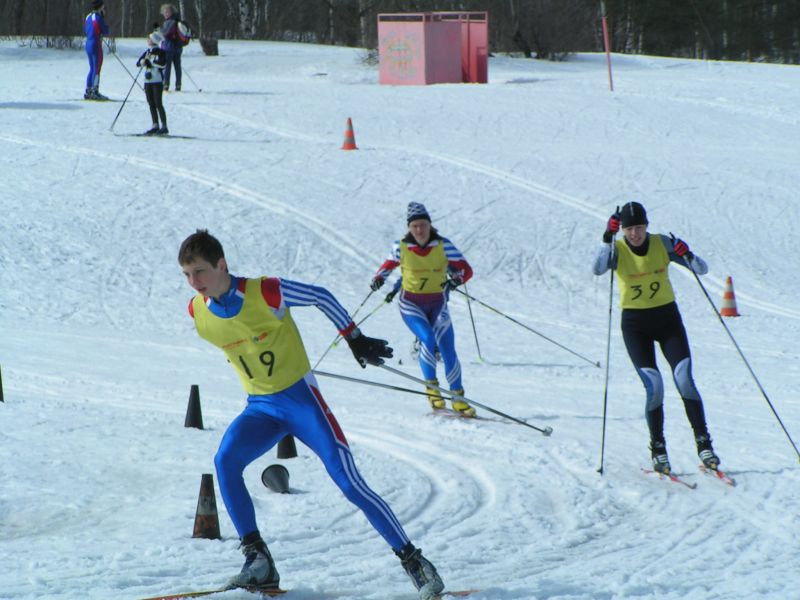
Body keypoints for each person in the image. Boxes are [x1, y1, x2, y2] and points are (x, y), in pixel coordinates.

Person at [178, 230, 444, 600]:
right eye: (187, 275)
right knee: (225, 461)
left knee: (350, 483)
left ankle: (415, 562)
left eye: (200, 272)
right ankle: (258, 560)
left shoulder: (265, 292)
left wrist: (354, 338)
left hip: (303, 404)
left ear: (221, 265)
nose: (194, 282)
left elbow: (320, 295)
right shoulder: (198, 311)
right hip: (260, 409)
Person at [592, 201, 721, 474]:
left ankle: (704, 443)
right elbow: (598, 268)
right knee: (655, 386)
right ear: (622, 230)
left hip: (667, 321)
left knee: (684, 379)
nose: (634, 234)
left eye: (639, 228)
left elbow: (702, 269)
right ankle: (658, 448)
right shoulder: (617, 248)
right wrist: (607, 237)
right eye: (629, 229)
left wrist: (687, 253)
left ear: (647, 226)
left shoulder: (662, 243)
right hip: (635, 325)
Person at [370, 202, 476, 417]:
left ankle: (458, 397)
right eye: (415, 226)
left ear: (429, 225)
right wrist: (378, 279)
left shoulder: (443, 245)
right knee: (427, 338)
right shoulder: (400, 247)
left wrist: (456, 280)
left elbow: (466, 270)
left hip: (437, 303)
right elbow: (386, 267)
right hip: (411, 303)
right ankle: (432, 390)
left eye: (423, 225)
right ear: (409, 228)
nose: (419, 230)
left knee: (448, 349)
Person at [136, 32, 168, 135]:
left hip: (157, 81)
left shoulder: (161, 52)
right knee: (151, 103)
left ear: (154, 40)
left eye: (149, 38)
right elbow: (138, 63)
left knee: (158, 103)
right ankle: (155, 125)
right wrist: (143, 62)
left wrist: (152, 62)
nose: (148, 40)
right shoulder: (147, 52)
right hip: (147, 81)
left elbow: (163, 64)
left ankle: (164, 126)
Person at [83, 0, 110, 100]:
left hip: (88, 42)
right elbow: (106, 30)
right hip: (95, 43)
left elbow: (86, 29)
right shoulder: (98, 17)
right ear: (100, 7)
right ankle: (95, 90)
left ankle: (88, 89)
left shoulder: (88, 16)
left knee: (92, 67)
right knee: (97, 67)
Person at [159, 3, 184, 91]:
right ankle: (178, 84)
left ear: (171, 12)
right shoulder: (178, 20)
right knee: (177, 67)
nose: (165, 14)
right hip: (178, 47)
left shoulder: (170, 21)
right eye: (164, 12)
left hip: (169, 47)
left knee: (167, 67)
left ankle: (166, 84)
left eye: (167, 12)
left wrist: (159, 31)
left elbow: (165, 33)